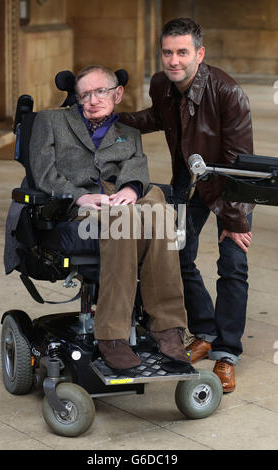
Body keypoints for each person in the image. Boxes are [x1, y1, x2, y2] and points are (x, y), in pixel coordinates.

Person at [119, 18, 254, 392]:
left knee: (233, 265)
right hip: (188, 182)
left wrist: (234, 220)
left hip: (230, 187)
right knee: (179, 255)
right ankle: (206, 331)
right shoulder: (162, 84)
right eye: (168, 52)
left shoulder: (228, 93)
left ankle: (227, 354)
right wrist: (114, 119)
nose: (173, 60)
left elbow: (239, 162)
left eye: (182, 52)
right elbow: (157, 118)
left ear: (200, 53)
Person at [29, 64, 190, 372]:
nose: (93, 100)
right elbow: (44, 172)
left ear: (117, 94)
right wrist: (79, 196)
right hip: (79, 206)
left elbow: (136, 165)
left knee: (159, 212)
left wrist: (130, 188)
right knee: (128, 218)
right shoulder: (50, 122)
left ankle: (168, 327)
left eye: (100, 91)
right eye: (85, 94)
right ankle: (112, 334)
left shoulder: (127, 133)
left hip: (123, 198)